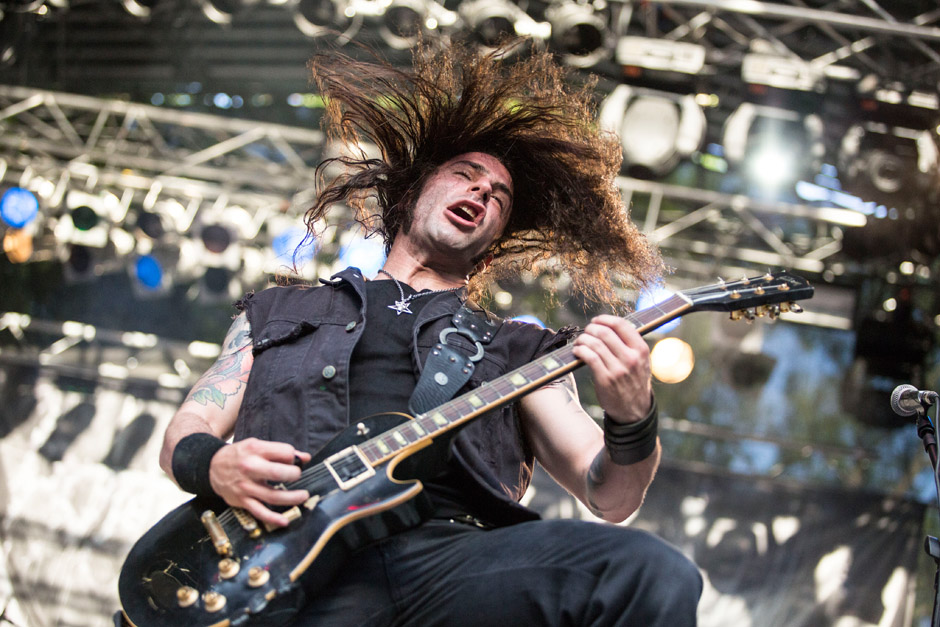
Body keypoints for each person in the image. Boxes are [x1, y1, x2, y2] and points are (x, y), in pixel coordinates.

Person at [160, 40, 702, 626]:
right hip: (282, 553)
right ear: (414, 191)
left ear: (493, 242)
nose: (481, 193)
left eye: (498, 197)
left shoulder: (522, 351)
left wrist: (632, 416)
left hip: (452, 566)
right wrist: (213, 465)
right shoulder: (277, 310)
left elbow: (612, 497)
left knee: (651, 574)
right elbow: (187, 428)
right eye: (466, 176)